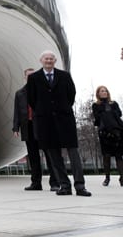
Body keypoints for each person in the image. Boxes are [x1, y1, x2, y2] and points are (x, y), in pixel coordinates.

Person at [26, 50, 91, 197]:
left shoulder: (64, 76)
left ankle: (80, 186)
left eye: (51, 59)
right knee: (54, 156)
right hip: (46, 121)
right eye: (46, 59)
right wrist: (44, 110)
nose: (48, 61)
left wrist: (62, 108)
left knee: (73, 153)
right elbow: (32, 99)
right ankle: (64, 185)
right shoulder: (34, 78)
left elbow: (71, 94)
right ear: (41, 60)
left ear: (55, 61)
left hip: (65, 119)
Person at [13, 68, 59, 191]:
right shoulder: (20, 93)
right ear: (25, 77)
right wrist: (15, 127)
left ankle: (54, 183)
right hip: (27, 126)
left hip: (42, 126)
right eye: (28, 76)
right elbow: (17, 112)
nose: (30, 78)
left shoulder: (44, 90)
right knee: (33, 157)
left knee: (49, 155)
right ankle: (36, 183)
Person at [91, 85, 123, 186]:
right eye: (102, 91)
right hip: (104, 133)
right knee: (106, 156)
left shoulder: (114, 104)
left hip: (117, 132)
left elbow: (119, 114)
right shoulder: (96, 105)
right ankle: (107, 178)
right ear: (98, 94)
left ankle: (122, 178)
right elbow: (97, 117)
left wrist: (107, 114)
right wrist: (108, 114)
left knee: (119, 156)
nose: (104, 92)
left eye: (105, 91)